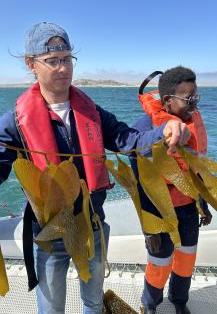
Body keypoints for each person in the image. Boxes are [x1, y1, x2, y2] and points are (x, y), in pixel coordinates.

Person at [0, 23, 191, 314]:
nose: (63, 69)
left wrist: (166, 130)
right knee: (51, 309)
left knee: (93, 301)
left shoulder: (91, 111)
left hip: (93, 226)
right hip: (49, 234)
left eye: (67, 59)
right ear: (31, 64)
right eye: (53, 61)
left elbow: (129, 140)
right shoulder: (13, 121)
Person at [129, 66, 212, 314]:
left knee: (186, 258)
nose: (195, 103)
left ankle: (180, 301)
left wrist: (203, 203)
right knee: (159, 261)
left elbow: (197, 171)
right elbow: (139, 186)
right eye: (189, 98)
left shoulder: (192, 122)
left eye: (197, 96)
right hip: (159, 211)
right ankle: (150, 304)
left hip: (188, 207)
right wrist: (148, 230)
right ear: (167, 100)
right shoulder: (144, 131)